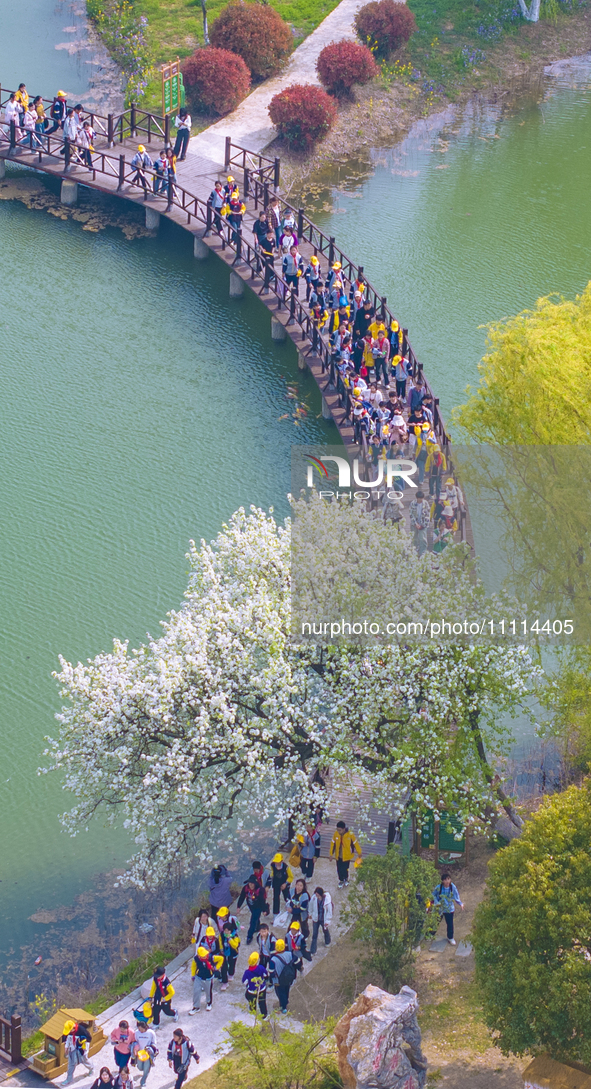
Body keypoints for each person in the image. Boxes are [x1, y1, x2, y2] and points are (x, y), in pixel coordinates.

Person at [433, 872, 464, 945]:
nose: (447, 881)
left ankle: (450, 937)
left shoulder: (452, 887)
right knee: (435, 921)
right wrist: (436, 902)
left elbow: (456, 896)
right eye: (445, 880)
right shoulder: (439, 887)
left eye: (448, 879)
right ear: (442, 881)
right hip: (440, 908)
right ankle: (430, 934)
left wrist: (460, 904)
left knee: (450, 924)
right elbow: (433, 895)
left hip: (449, 908)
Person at [269, 938, 298, 1014]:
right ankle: (286, 1000)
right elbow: (297, 962)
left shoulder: (273, 960)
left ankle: (283, 1007)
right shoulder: (290, 954)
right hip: (289, 977)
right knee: (286, 990)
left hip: (278, 980)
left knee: (280, 993)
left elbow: (271, 972)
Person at [330, 821, 362, 888]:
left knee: (345, 869)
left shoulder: (350, 834)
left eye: (340, 830)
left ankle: (346, 879)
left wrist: (359, 852)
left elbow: (355, 843)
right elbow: (333, 844)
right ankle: (341, 880)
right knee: (339, 869)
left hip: (347, 856)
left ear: (344, 829)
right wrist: (331, 854)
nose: (338, 831)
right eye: (337, 830)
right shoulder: (336, 834)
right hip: (338, 856)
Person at [189, 945, 221, 1012]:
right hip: (199, 977)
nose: (204, 956)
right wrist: (193, 975)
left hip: (208, 978)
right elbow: (193, 967)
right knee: (196, 991)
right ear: (199, 955)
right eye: (202, 955)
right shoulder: (196, 959)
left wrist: (216, 968)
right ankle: (196, 1007)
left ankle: (209, 1003)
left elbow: (221, 959)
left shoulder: (211, 957)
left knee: (208, 991)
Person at [60, 1019, 93, 1085]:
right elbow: (67, 1039)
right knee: (71, 1063)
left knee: (84, 1060)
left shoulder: (82, 1030)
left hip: (81, 1048)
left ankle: (91, 1068)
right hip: (72, 1048)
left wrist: (84, 1049)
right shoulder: (69, 1033)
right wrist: (66, 1047)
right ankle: (69, 1079)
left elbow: (89, 1039)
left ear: (73, 1028)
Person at [237, 875, 267, 944]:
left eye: (253, 883)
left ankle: (249, 936)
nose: (251, 885)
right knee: (256, 918)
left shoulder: (260, 890)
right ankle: (257, 927)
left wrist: (264, 910)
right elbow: (242, 897)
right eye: (250, 883)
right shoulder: (245, 888)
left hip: (258, 906)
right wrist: (238, 906)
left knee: (253, 921)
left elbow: (262, 901)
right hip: (251, 906)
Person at [242, 951, 268, 1018]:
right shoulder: (261, 968)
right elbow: (266, 975)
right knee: (262, 1002)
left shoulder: (247, 972)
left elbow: (244, 981)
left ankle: (253, 1017)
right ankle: (264, 1015)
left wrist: (248, 985)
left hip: (251, 991)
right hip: (262, 989)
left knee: (252, 1004)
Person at [132, 1022, 158, 1088]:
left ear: (145, 1028)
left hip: (148, 1054)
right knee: (140, 1067)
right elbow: (134, 1041)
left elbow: (154, 1043)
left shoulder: (151, 1033)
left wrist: (150, 1049)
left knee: (146, 1069)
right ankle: (144, 1072)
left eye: (141, 1029)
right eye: (139, 1029)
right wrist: (135, 1048)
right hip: (140, 1054)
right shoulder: (136, 1033)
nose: (140, 1031)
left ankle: (143, 1082)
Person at [309, 887, 332, 954]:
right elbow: (310, 906)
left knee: (325, 930)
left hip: (323, 919)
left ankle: (327, 941)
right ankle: (313, 951)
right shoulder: (314, 898)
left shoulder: (327, 901)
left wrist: (327, 921)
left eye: (318, 895)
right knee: (314, 934)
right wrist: (310, 913)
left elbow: (329, 912)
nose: (317, 896)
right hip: (316, 919)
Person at [219, 920, 240, 988]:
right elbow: (220, 941)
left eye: (228, 931)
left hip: (232, 954)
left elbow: (235, 945)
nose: (226, 932)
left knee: (231, 965)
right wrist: (221, 949)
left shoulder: (235, 937)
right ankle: (224, 981)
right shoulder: (222, 934)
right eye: (225, 930)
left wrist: (230, 939)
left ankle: (231, 974)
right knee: (223, 967)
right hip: (224, 953)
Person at [409, 490, 430, 557]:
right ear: (417, 498)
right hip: (414, 524)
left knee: (423, 538)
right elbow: (411, 514)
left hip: (423, 524)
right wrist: (415, 523)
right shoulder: (412, 503)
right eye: (419, 498)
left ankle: (423, 552)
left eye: (422, 498)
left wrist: (422, 525)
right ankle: (414, 551)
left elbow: (428, 515)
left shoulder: (426, 503)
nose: (421, 500)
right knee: (414, 538)